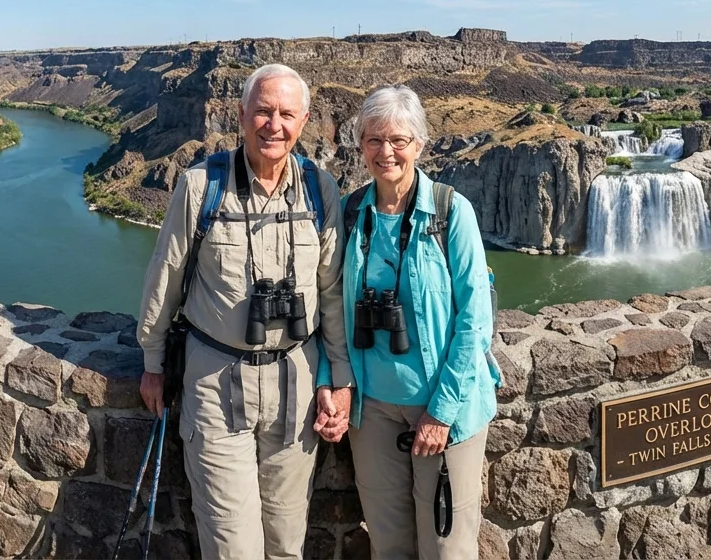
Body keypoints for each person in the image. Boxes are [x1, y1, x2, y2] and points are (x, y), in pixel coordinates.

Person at [136, 63, 354, 560]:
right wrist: (152, 362)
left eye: (285, 114)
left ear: (303, 123)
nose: (272, 125)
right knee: (232, 546)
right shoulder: (200, 187)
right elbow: (164, 277)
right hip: (216, 383)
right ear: (240, 116)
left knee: (285, 542)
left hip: (296, 386)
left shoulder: (321, 191)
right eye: (262, 111)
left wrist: (339, 378)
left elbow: (333, 292)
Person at [339, 84, 499, 560]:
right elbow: (330, 307)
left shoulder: (451, 212)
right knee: (389, 546)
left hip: (444, 409)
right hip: (373, 412)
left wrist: (442, 412)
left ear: (420, 145)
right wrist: (337, 383)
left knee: (445, 548)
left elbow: (474, 321)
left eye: (398, 140)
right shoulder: (351, 213)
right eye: (373, 140)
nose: (385, 152)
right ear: (361, 146)